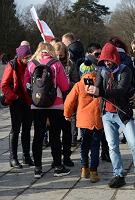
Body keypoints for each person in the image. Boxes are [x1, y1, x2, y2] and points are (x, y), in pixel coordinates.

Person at [86, 43, 135, 188]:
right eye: (104, 60)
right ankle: (118, 175)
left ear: (115, 58)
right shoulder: (101, 70)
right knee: (112, 147)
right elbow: (99, 89)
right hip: (107, 114)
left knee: (134, 143)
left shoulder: (125, 70)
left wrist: (100, 92)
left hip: (123, 114)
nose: (107, 62)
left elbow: (121, 90)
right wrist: (92, 90)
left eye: (109, 59)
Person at [24, 42, 70, 178]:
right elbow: (65, 85)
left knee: (38, 135)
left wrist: (33, 98)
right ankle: (57, 167)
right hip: (55, 105)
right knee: (55, 136)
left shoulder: (31, 64)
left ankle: (37, 169)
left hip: (37, 105)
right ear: (51, 50)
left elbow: (26, 83)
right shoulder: (56, 64)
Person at [64, 62, 104, 183]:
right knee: (95, 146)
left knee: (84, 145)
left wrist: (67, 114)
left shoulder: (78, 85)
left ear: (81, 72)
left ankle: (84, 169)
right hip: (97, 119)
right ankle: (93, 172)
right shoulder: (100, 84)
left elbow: (69, 101)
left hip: (83, 120)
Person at [1, 44, 34, 168]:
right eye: (26, 57)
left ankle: (26, 156)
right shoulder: (12, 65)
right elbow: (4, 85)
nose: (28, 59)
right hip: (16, 101)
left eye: (29, 56)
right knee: (15, 130)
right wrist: (14, 97)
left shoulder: (30, 65)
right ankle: (13, 158)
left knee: (26, 130)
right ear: (20, 57)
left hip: (28, 100)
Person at [53, 41, 80, 166]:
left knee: (67, 131)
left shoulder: (71, 65)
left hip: (67, 100)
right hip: (53, 102)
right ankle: (56, 158)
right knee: (54, 132)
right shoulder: (51, 64)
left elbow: (76, 82)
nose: (59, 58)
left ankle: (67, 156)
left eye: (61, 55)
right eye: (57, 55)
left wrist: (66, 82)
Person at [109, 36, 134, 144]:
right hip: (127, 89)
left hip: (115, 89)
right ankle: (126, 135)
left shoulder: (112, 57)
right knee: (127, 115)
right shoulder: (127, 57)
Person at [62, 32, 84, 146]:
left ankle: (72, 138)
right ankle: (76, 137)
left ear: (68, 41)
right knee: (77, 111)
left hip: (73, 81)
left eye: (64, 42)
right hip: (80, 80)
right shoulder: (80, 48)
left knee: (72, 112)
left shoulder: (71, 50)